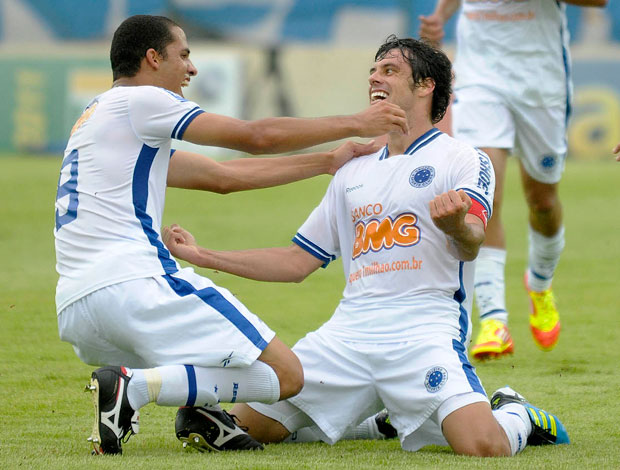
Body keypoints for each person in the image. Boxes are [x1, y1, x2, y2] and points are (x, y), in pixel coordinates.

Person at [164, 36, 569, 457]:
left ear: (426, 85)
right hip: (347, 337)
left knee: (484, 447)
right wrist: (204, 256)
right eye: (373, 70)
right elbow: (296, 260)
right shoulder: (352, 170)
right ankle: (378, 425)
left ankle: (517, 412)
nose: (375, 76)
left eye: (390, 70)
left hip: (424, 331)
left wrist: (455, 227)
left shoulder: (464, 159)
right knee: (245, 426)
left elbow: (471, 244)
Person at [53, 14, 411, 456]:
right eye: (183, 54)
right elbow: (254, 137)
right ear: (151, 58)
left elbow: (222, 176)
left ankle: (201, 410)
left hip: (77, 305)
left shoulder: (97, 116)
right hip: (131, 285)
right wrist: (357, 121)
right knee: (285, 376)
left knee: (220, 359)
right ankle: (136, 388)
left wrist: (325, 162)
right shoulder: (142, 100)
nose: (192, 68)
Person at [418, 0, 608, 360]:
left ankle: (540, 284)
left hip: (541, 86)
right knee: (485, 194)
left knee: (543, 202)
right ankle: (494, 320)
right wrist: (441, 16)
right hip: (480, 81)